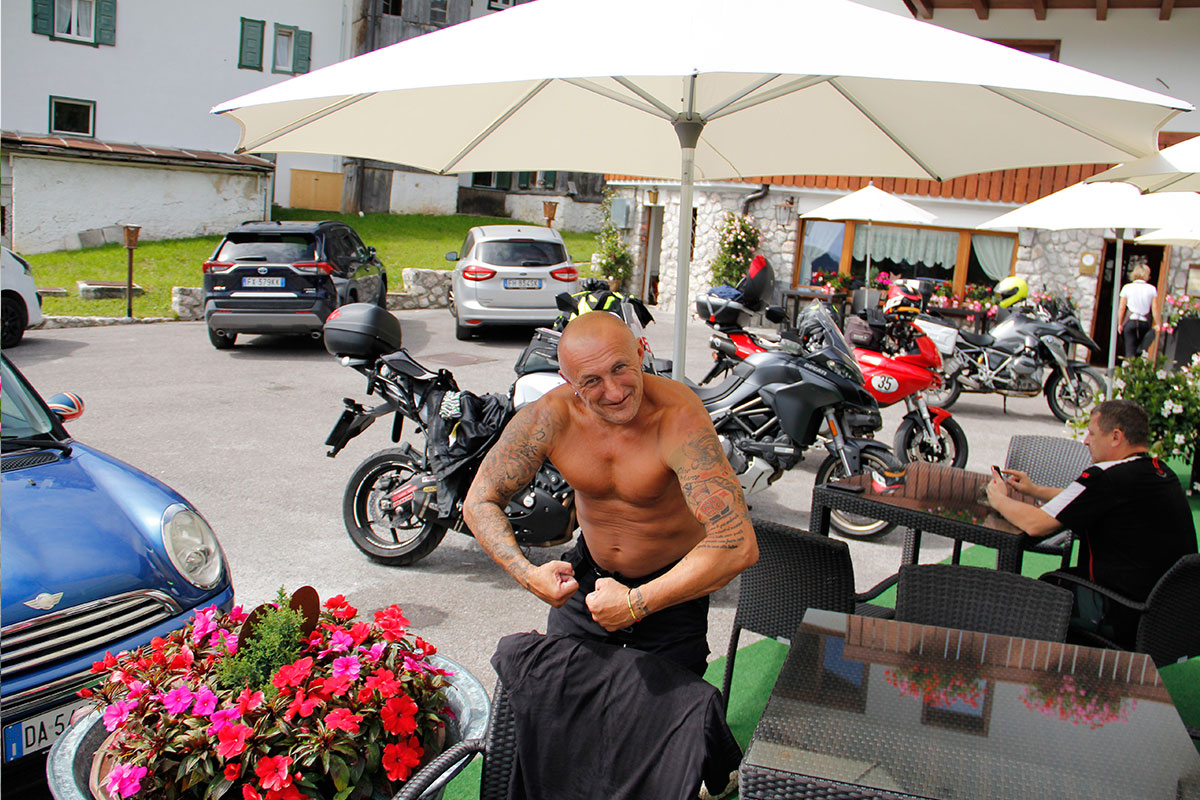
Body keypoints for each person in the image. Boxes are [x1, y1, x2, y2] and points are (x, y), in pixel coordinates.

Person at [464, 311, 758, 676]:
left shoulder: (677, 416)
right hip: (587, 582)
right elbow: (480, 500)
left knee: (664, 708)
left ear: (640, 352)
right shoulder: (551, 417)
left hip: (671, 590)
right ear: (567, 380)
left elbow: (737, 543)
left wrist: (635, 603)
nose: (615, 392)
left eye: (620, 368)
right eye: (592, 381)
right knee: (560, 696)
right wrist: (527, 573)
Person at [986, 399, 1196, 645]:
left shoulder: (1106, 478)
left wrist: (998, 498)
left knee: (1031, 596)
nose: (1085, 441)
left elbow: (1036, 525)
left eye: (1092, 433)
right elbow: (1091, 499)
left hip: (1120, 614)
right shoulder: (1159, 471)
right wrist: (1036, 490)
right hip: (1168, 619)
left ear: (1115, 437)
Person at [1117, 262, 1161, 358]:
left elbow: (1122, 307)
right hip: (1144, 323)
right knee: (1140, 351)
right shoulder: (1152, 289)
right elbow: (1155, 308)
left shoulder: (1127, 287)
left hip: (1131, 321)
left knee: (1130, 351)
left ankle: (1129, 364)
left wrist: (1120, 323)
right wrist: (1158, 323)